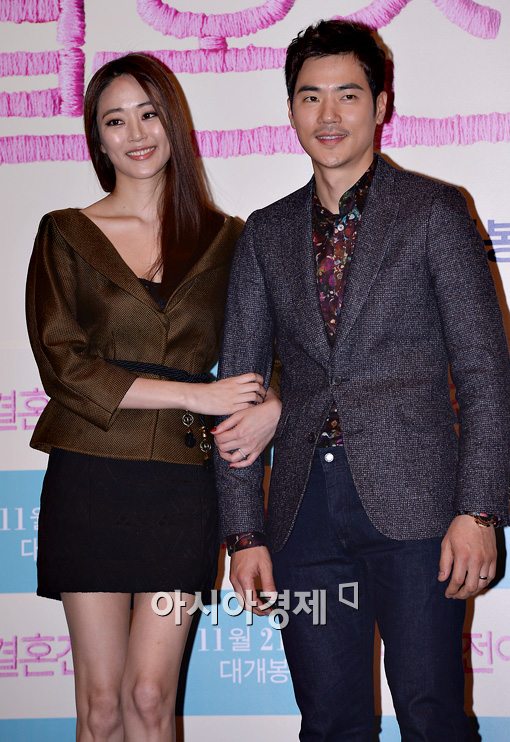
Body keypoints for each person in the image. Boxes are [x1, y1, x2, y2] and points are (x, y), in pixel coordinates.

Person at [214, 20, 510, 740]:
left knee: (433, 716)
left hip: (420, 509)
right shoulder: (265, 232)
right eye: (310, 96)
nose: (329, 114)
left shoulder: (434, 211)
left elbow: (485, 372)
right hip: (302, 514)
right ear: (291, 110)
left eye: (348, 95)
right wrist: (243, 531)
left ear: (381, 105)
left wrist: (479, 511)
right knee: (328, 722)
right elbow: (239, 391)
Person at [26, 53, 281, 742]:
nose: (135, 133)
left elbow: (284, 343)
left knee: (148, 697)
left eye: (148, 114)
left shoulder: (230, 239)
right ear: (98, 138)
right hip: (90, 476)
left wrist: (274, 405)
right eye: (115, 120)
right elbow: (64, 366)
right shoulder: (64, 232)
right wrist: (198, 395)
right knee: (102, 706)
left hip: (182, 485)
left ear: (173, 122)